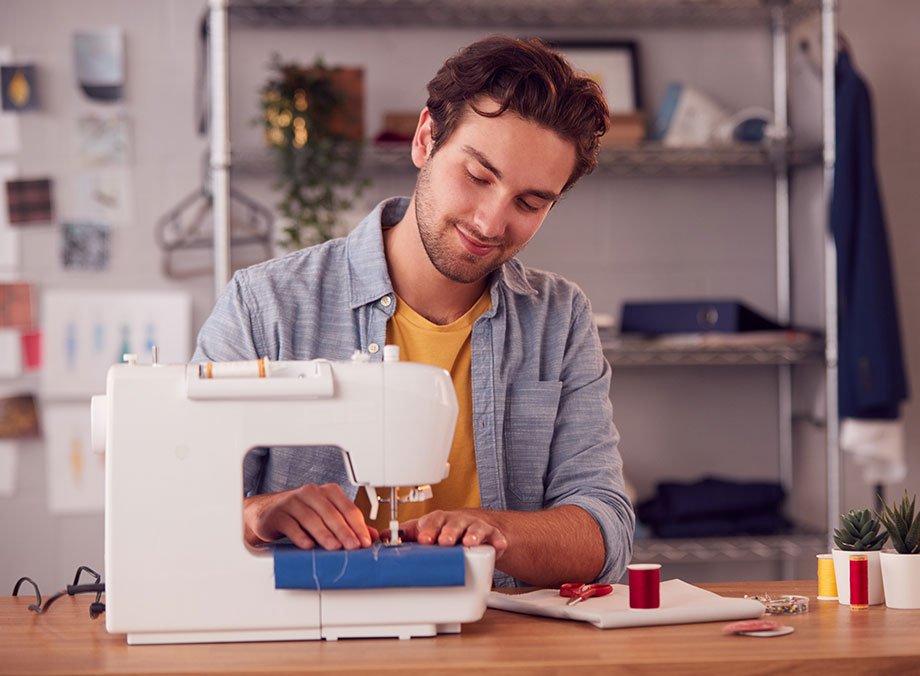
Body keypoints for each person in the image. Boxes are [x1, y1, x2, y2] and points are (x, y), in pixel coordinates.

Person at [193, 35, 634, 588]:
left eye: (530, 203)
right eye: (477, 176)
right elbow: (175, 507)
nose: (491, 223)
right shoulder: (266, 306)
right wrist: (257, 516)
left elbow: (605, 529)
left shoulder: (558, 319)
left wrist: (496, 532)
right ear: (426, 139)